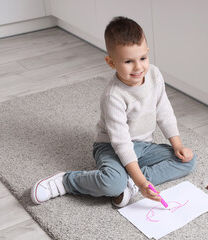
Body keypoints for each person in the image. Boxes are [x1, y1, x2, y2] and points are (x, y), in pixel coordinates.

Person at [31, 16, 197, 208]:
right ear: (111, 62)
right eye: (128, 61)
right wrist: (144, 184)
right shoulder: (113, 96)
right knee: (112, 184)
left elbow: (164, 110)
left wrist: (177, 145)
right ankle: (66, 181)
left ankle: (131, 183)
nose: (138, 67)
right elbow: (122, 144)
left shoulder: (154, 74)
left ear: (148, 53)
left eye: (143, 58)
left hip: (144, 146)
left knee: (188, 162)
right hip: (111, 147)